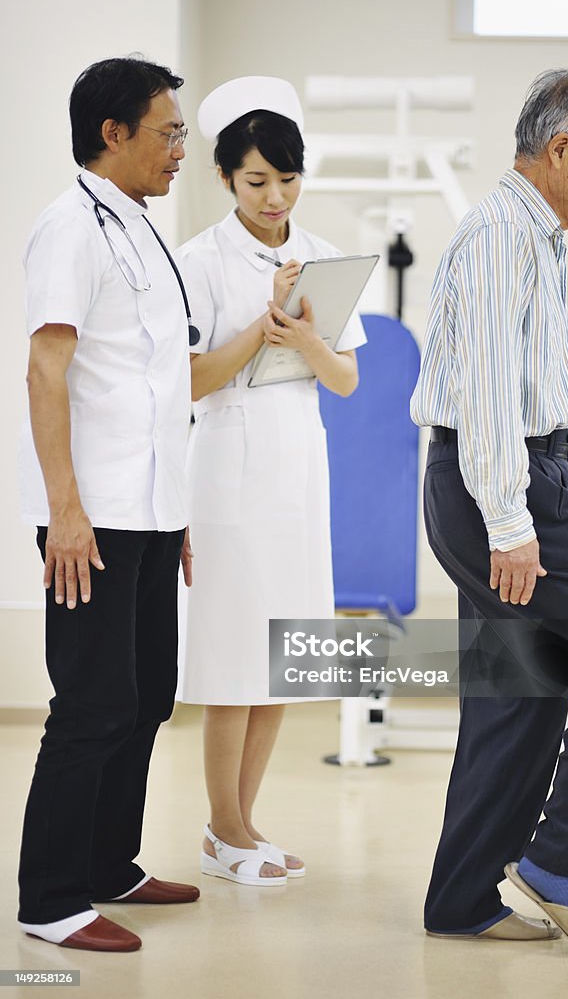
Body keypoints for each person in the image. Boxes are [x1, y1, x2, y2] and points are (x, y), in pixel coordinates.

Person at [410, 70, 568, 960]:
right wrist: (513, 524)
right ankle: (557, 861)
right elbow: (482, 396)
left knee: (516, 695)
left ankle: (461, 895)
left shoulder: (534, 236)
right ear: (560, 148)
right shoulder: (497, 239)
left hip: (510, 479)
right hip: (502, 482)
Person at [17, 56, 199, 953]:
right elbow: (46, 369)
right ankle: (50, 899)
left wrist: (181, 509)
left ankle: (107, 864)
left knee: (148, 695)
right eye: (167, 132)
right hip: (94, 516)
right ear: (113, 133)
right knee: (91, 703)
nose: (179, 149)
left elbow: (156, 379)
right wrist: (66, 510)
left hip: (154, 508)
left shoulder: (137, 225)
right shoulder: (70, 227)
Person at [175, 76, 366, 886]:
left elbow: (346, 379)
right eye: (257, 181)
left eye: (288, 179)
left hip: (296, 465)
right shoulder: (197, 261)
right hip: (224, 470)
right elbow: (188, 380)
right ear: (224, 179)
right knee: (230, 659)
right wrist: (262, 327)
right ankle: (221, 830)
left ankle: (245, 826)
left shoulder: (322, 254)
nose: (276, 196)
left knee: (283, 656)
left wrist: (307, 338)